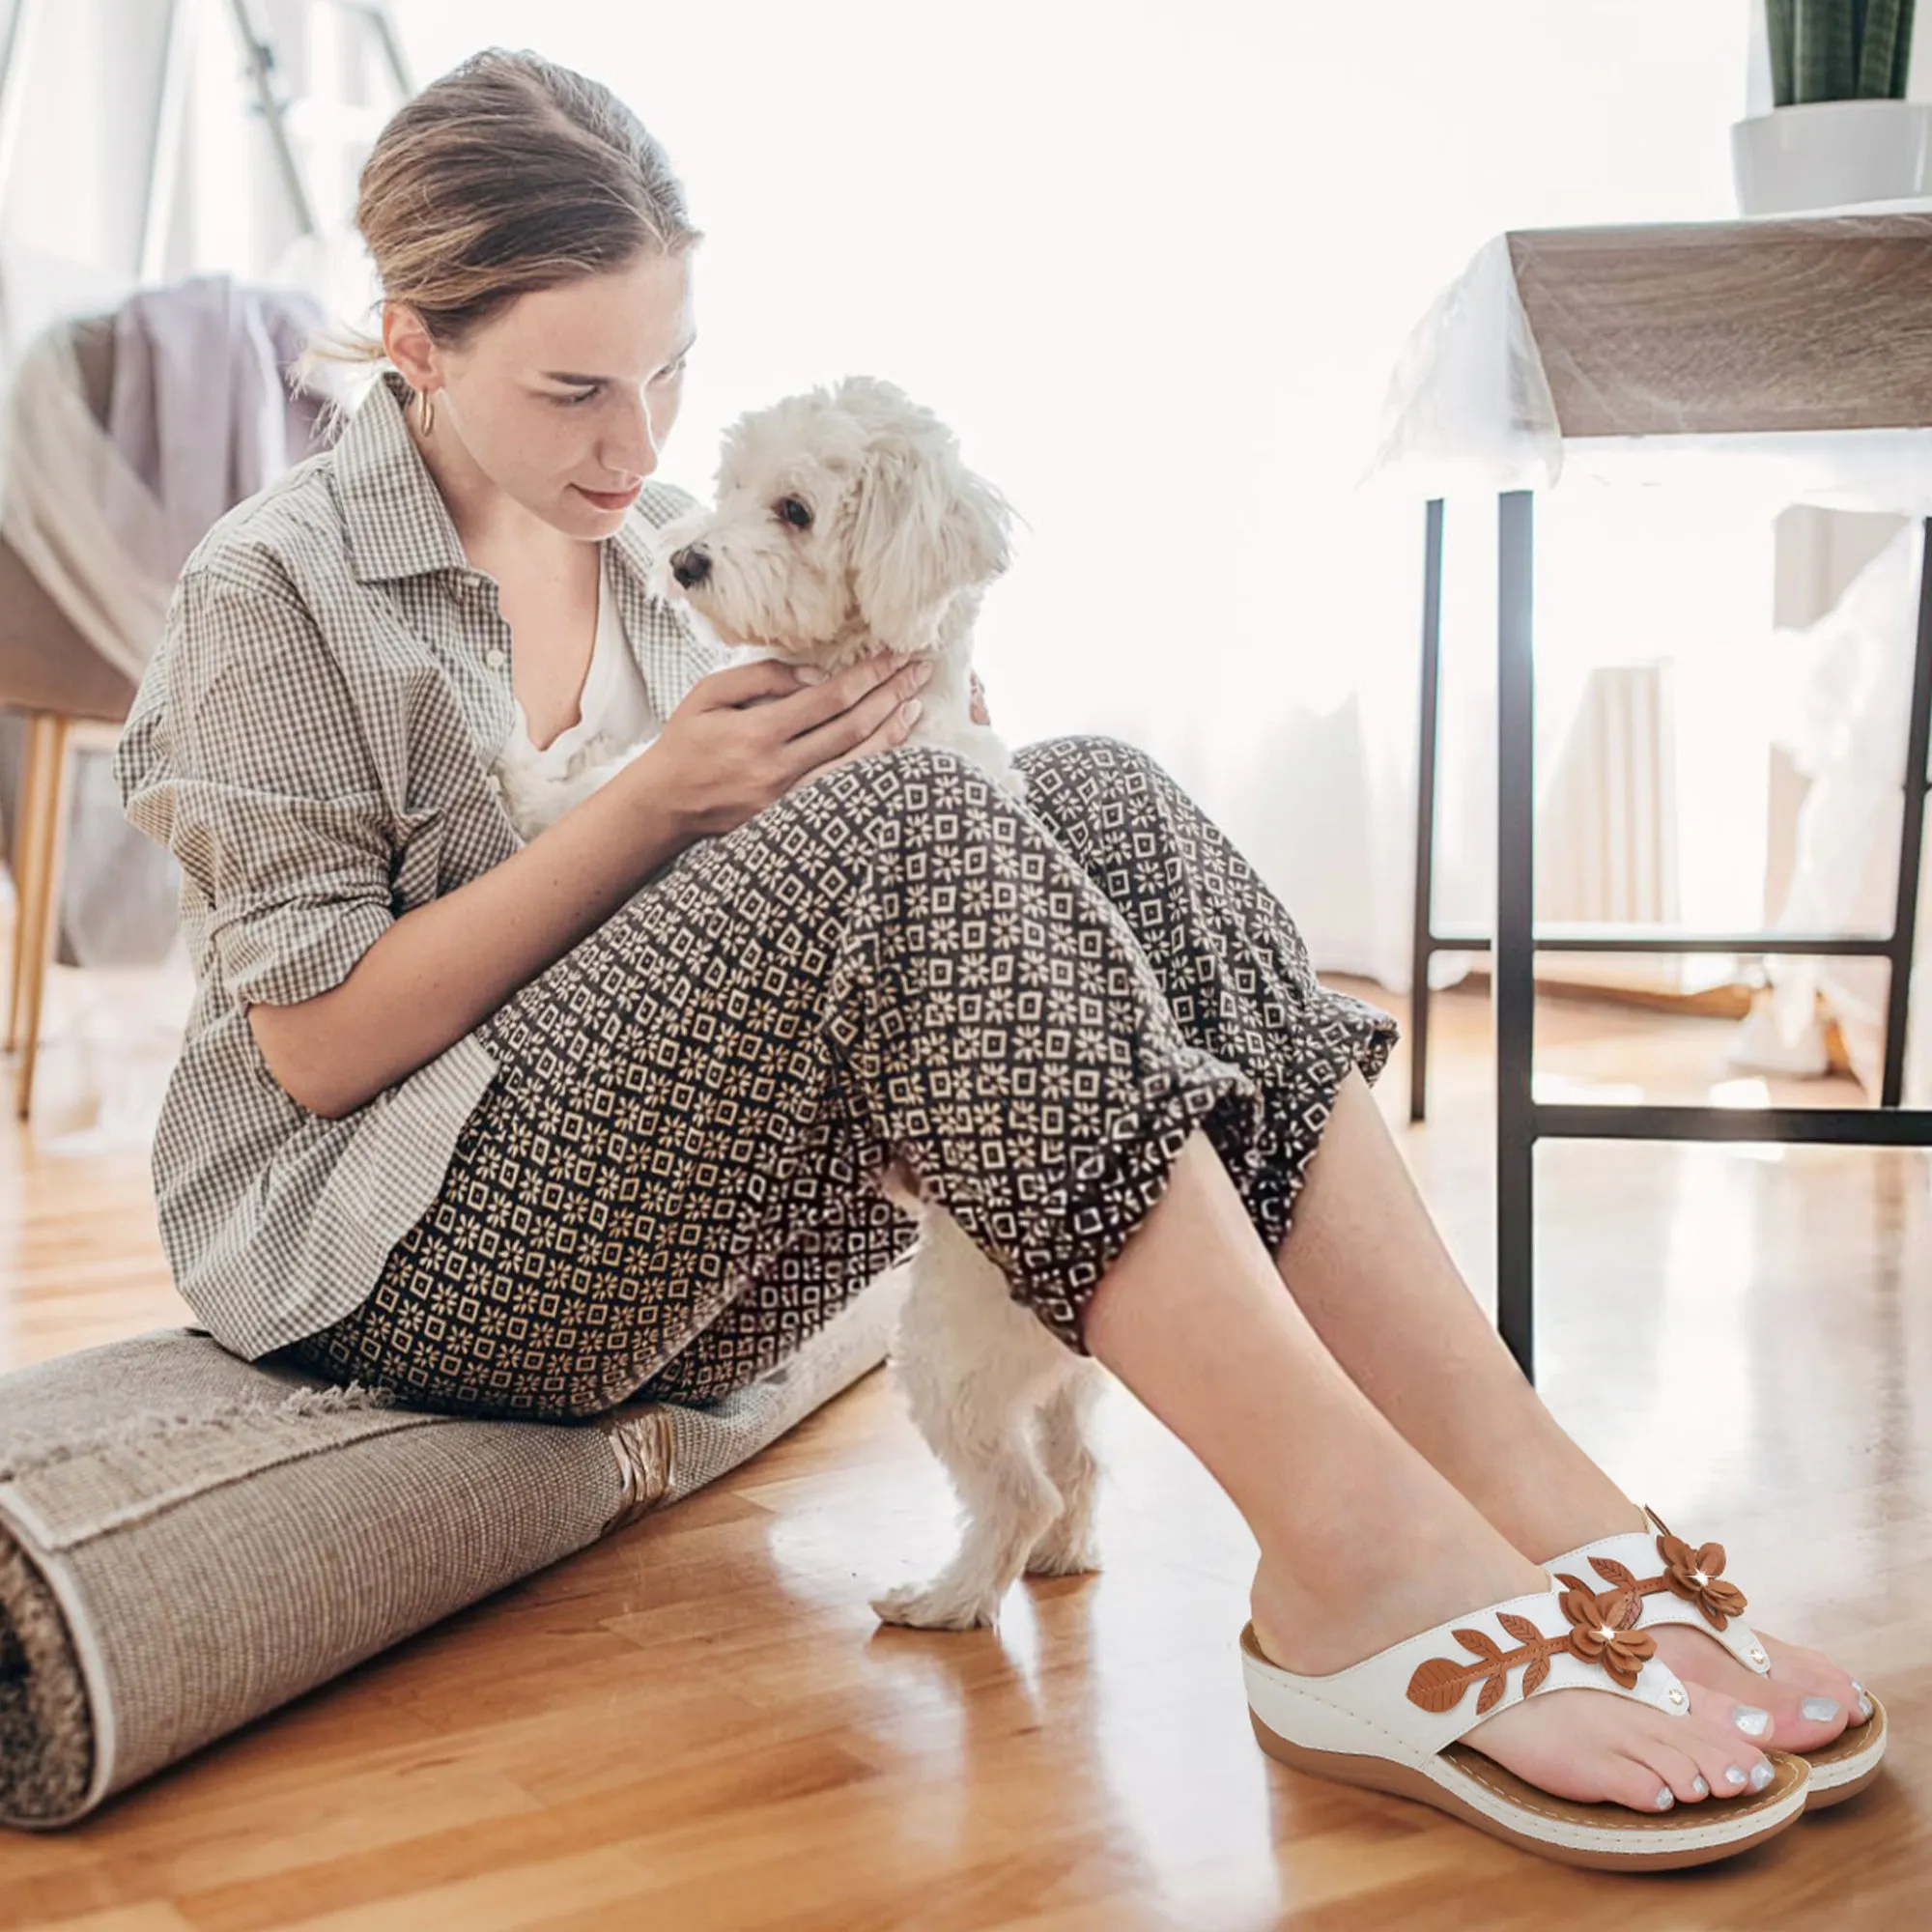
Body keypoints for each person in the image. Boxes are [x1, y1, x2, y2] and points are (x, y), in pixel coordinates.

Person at [112, 46, 1874, 1867]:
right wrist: (652, 805)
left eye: (667, 376)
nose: (636, 453)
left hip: (690, 1236)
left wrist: (928, 758)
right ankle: (1360, 1560)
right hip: (397, 1260)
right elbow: (317, 1049)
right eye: (575, 394)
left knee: (1083, 791)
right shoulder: (278, 587)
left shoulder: (657, 549)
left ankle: (1520, 1483)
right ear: (414, 345)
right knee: (923, 833)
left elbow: (798, 905)